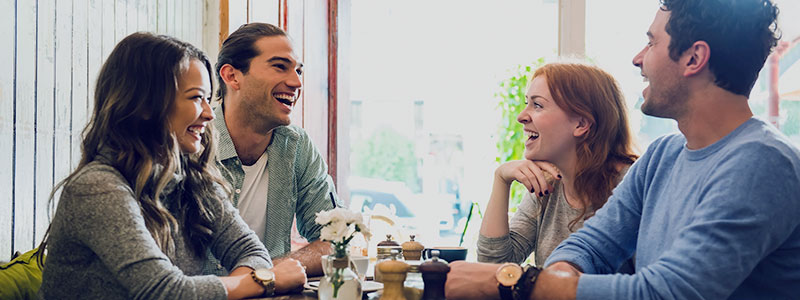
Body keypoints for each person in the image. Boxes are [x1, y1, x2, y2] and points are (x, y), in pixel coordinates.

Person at [446, 0, 800, 299]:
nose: (637, 58)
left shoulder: (761, 162)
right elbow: (589, 247)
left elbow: (668, 292)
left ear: (694, 59)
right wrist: (556, 280)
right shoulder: (663, 156)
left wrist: (516, 283)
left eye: (651, 43)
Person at [38, 32, 306, 299]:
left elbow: (252, 252)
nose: (209, 113)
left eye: (207, 99)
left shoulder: (190, 178)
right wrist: (266, 281)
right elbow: (165, 291)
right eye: (195, 98)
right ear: (144, 105)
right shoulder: (97, 188)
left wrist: (251, 281)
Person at [476, 63, 637, 270]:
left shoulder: (631, 185)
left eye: (538, 105)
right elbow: (494, 266)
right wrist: (501, 179)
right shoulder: (548, 185)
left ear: (580, 124)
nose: (521, 116)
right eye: (527, 103)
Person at [209, 22, 338, 277]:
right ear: (232, 76)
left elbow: (335, 239)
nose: (296, 82)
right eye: (280, 67)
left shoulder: (297, 145)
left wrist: (264, 274)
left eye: (299, 71)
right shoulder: (190, 143)